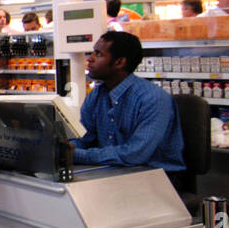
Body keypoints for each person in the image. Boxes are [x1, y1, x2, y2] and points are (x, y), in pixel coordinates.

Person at [69, 31, 185, 174]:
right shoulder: (96, 96)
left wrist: (78, 155)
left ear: (119, 62)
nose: (90, 59)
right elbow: (84, 138)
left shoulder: (153, 99)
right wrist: (65, 148)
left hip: (157, 177)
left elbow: (136, 154)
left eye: (98, 54)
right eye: (92, 52)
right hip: (114, 171)